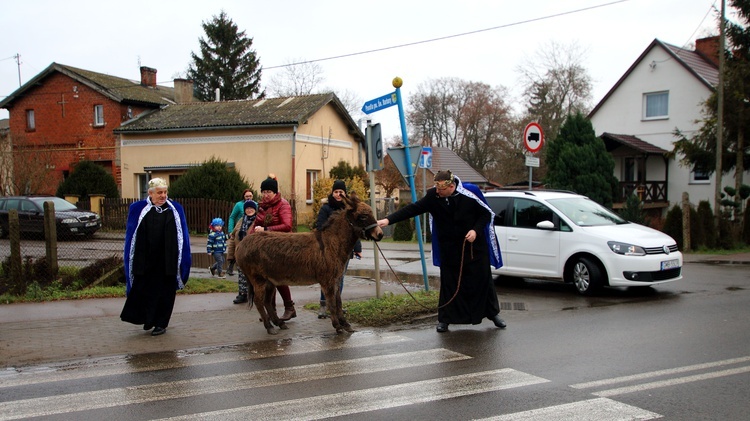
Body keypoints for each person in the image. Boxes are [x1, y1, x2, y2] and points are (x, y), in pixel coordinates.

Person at [377, 170, 506, 333]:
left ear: (451, 186)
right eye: (436, 189)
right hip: (450, 249)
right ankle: (445, 319)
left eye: (441, 189)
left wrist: (475, 230)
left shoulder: (471, 193)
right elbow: (413, 209)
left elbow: (485, 214)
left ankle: (493, 314)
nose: (437, 192)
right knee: (449, 284)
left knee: (482, 282)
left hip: (473, 248)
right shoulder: (434, 196)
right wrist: (388, 220)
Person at [120, 178, 191, 336]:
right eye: (159, 193)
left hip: (167, 261)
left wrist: (183, 262)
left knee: (165, 293)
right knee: (147, 291)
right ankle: (148, 319)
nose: (163, 196)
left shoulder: (175, 209)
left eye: (165, 192)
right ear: (150, 193)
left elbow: (183, 237)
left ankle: (161, 323)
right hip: (146, 261)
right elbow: (131, 237)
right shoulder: (138, 209)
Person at [249, 174, 297, 320]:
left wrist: (266, 231)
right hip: (266, 249)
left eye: (269, 192)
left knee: (278, 279)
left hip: (282, 247)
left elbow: (287, 225)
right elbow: (256, 225)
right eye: (263, 192)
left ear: (275, 192)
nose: (266, 195)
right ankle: (272, 311)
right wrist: (250, 239)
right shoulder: (262, 207)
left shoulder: (283, 205)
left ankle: (289, 307)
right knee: (268, 280)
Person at [315, 179, 362, 318]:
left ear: (345, 194)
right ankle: (324, 306)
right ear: (332, 193)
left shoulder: (349, 210)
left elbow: (356, 230)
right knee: (327, 278)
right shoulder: (326, 208)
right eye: (336, 191)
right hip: (328, 250)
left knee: (339, 278)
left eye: (341, 192)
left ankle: (336, 306)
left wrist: (357, 248)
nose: (338, 194)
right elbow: (320, 227)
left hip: (345, 250)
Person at [231, 199, 257, 304]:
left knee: (254, 275)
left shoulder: (258, 221)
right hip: (241, 254)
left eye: (251, 208)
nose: (249, 210)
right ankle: (243, 294)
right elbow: (233, 238)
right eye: (247, 208)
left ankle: (256, 295)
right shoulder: (241, 221)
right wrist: (231, 255)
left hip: (253, 255)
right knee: (242, 275)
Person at [226, 189, 254, 276]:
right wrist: (231, 231)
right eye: (246, 196)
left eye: (250, 196)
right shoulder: (239, 205)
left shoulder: (255, 205)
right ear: (243, 197)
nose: (248, 198)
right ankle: (230, 266)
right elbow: (232, 217)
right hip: (240, 228)